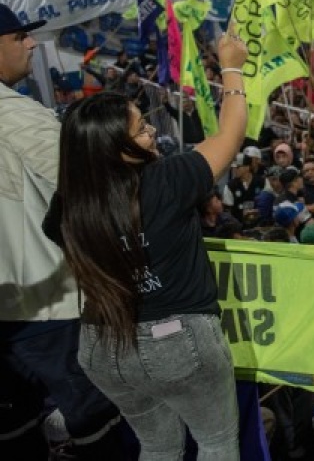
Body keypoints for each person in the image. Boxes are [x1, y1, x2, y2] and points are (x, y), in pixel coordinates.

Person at [42, 26, 250, 460]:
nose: (152, 132)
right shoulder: (165, 181)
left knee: (157, 446)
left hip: (102, 348)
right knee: (216, 444)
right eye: (139, 132)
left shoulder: (69, 206)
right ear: (113, 150)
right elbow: (230, 136)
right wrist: (231, 67)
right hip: (179, 341)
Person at [0, 3, 122, 458]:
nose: (31, 43)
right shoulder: (17, 115)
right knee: (101, 430)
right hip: (50, 315)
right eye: (19, 37)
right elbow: (91, 194)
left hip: (18, 314)